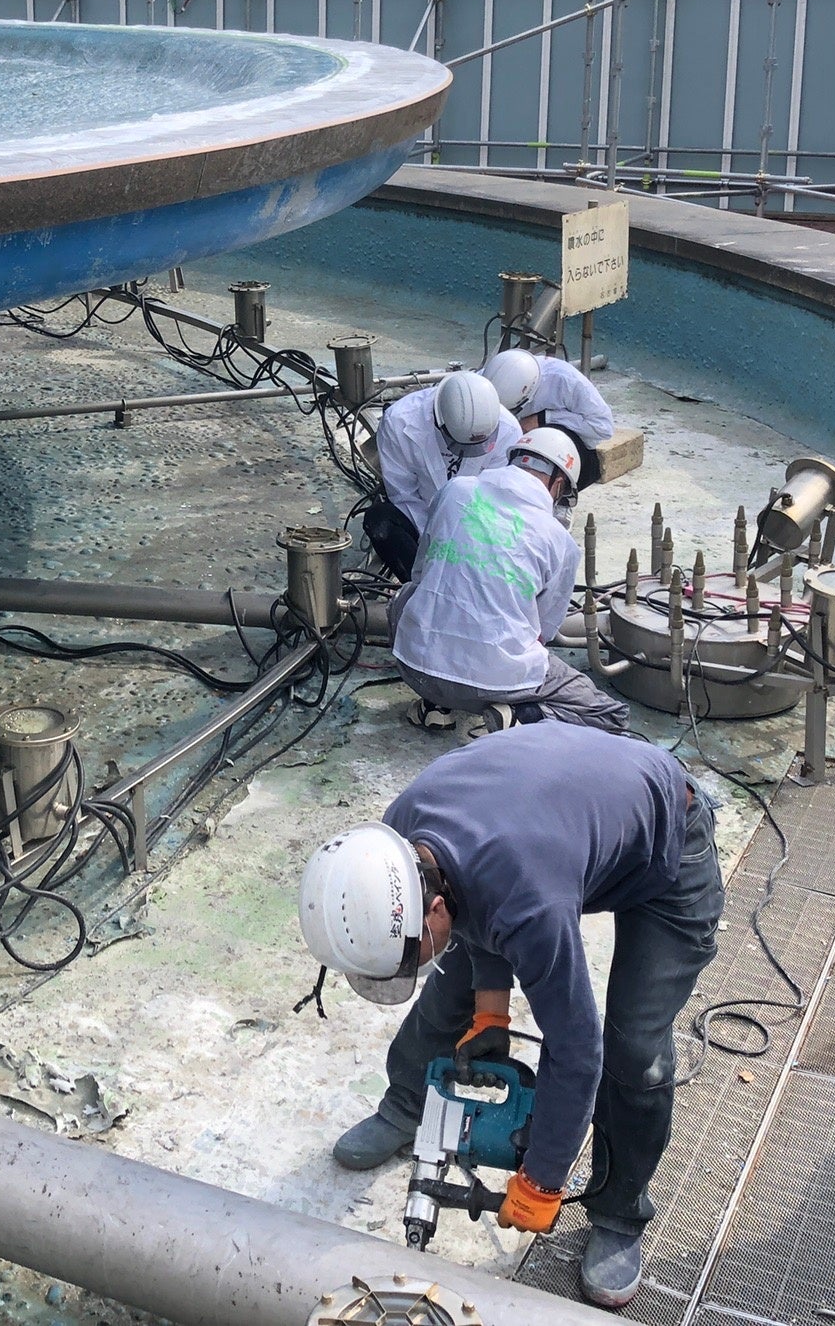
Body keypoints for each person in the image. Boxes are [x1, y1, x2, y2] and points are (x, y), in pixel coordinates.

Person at [298, 726, 720, 1310]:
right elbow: (473, 892)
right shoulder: (397, 842)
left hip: (667, 843)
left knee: (633, 1047)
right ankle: (404, 1107)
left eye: (410, 953)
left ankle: (618, 1212)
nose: (409, 967)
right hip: (558, 822)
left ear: (434, 909)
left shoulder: (528, 899)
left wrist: (542, 1177)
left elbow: (576, 1050)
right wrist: (489, 1005)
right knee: (450, 989)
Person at [390, 427, 630, 734]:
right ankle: (520, 717)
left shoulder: (455, 490)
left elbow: (420, 572)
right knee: (608, 714)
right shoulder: (559, 540)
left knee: (408, 596)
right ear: (558, 484)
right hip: (492, 685)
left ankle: (436, 706)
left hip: (415, 667)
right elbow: (541, 632)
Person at [367, 369, 518, 580]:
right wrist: (435, 545)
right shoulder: (399, 422)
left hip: (476, 523)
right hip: (421, 516)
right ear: (439, 421)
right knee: (379, 521)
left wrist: (464, 548)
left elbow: (496, 502)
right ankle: (420, 587)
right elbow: (404, 495)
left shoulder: (509, 431)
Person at [483, 348, 618, 489]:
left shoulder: (566, 381)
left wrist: (543, 418)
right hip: (509, 437)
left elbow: (603, 428)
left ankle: (559, 499)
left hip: (566, 445)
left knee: (545, 444)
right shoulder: (487, 378)